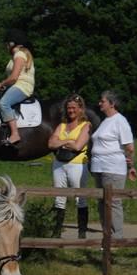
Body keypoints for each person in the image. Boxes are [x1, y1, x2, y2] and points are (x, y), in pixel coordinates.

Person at [90, 90, 137, 239]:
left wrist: (131, 166)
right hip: (99, 167)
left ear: (112, 104)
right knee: (102, 201)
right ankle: (107, 235)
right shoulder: (105, 121)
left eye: (102, 101)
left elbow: (129, 147)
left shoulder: (120, 121)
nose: (99, 103)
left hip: (112, 168)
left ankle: (117, 237)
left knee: (113, 202)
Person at [47, 94, 91, 238]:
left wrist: (62, 140)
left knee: (80, 198)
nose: (71, 110)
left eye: (73, 108)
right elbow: (50, 143)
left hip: (77, 165)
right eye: (68, 108)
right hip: (59, 164)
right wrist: (68, 141)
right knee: (59, 198)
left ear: (80, 109)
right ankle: (56, 231)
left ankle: (82, 232)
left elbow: (78, 146)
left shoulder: (86, 125)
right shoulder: (62, 125)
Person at [0, 29, 35, 147]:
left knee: (4, 103)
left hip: (22, 86)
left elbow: (14, 77)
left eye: (7, 44)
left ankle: (15, 134)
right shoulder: (17, 56)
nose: (6, 46)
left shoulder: (19, 55)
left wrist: (1, 84)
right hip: (17, 85)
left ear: (12, 44)